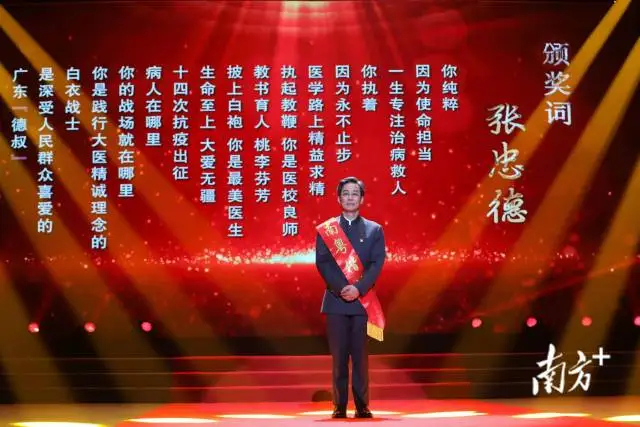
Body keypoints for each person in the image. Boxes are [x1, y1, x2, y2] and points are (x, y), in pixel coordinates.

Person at [315, 176, 386, 419]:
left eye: (355, 193)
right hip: (335, 302)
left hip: (361, 304)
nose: (350, 197)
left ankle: (362, 405)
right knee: (339, 358)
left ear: (362, 199)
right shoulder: (327, 230)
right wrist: (341, 289)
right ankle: (339, 406)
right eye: (345, 193)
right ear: (339, 198)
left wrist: (359, 288)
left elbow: (377, 264)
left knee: (360, 358)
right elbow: (323, 263)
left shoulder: (374, 230)